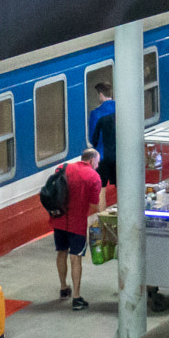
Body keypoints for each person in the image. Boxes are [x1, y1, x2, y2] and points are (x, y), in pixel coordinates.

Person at [51, 149, 105, 308]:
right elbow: (95, 202)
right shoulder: (93, 176)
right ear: (92, 161)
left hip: (59, 220)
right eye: (98, 162)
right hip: (77, 223)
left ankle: (63, 288)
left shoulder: (63, 168)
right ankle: (76, 297)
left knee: (61, 252)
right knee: (76, 258)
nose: (98, 165)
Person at [86, 83, 117, 194]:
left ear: (101, 94)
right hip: (120, 155)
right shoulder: (121, 108)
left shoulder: (96, 114)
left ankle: (102, 211)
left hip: (102, 157)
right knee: (122, 187)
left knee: (101, 190)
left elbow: (92, 138)